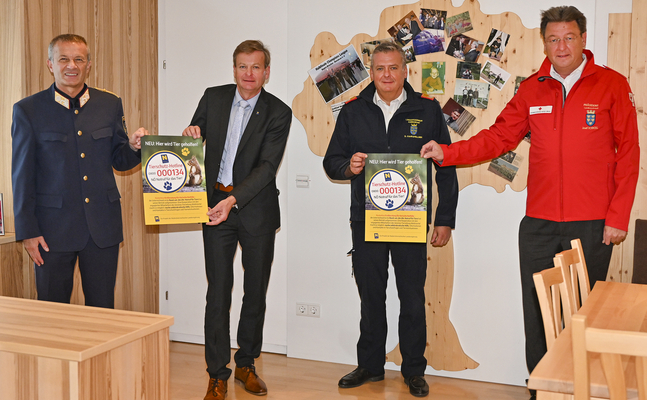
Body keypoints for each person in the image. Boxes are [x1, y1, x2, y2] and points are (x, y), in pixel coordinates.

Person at [420, 5, 640, 383]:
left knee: (584, 314)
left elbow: (630, 154)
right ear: (544, 43)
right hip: (538, 224)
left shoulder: (612, 84)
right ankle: (541, 386)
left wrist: (617, 217)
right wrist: (449, 152)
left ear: (584, 40)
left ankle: (580, 388)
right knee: (538, 312)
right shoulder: (532, 88)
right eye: (553, 39)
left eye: (569, 37)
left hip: (591, 225)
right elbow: (498, 137)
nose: (562, 46)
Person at [323, 41, 458, 398]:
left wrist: (445, 218)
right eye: (380, 68)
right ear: (371, 71)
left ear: (405, 70)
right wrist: (347, 166)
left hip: (411, 222)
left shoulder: (427, 110)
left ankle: (413, 369)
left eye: (393, 68)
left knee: (412, 296)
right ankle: (370, 365)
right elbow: (331, 161)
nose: (386, 75)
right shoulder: (352, 111)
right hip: (366, 221)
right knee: (371, 296)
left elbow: (446, 167)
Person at [182, 40, 291, 400]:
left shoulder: (278, 111)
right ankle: (217, 373)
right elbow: (194, 141)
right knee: (218, 293)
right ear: (234, 69)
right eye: (242, 66)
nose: (249, 74)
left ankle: (246, 363)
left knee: (255, 291)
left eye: (256, 67)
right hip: (214, 208)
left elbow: (266, 169)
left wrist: (233, 200)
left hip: (255, 210)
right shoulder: (213, 97)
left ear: (267, 72)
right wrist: (191, 135)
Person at [11, 34, 148, 309]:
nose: (71, 65)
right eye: (63, 59)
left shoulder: (109, 104)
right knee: (52, 312)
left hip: (102, 229)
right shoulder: (28, 110)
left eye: (78, 59)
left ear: (88, 64)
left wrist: (135, 148)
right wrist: (28, 231)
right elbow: (22, 176)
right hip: (51, 233)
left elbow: (119, 160)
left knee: (101, 310)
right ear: (51, 64)